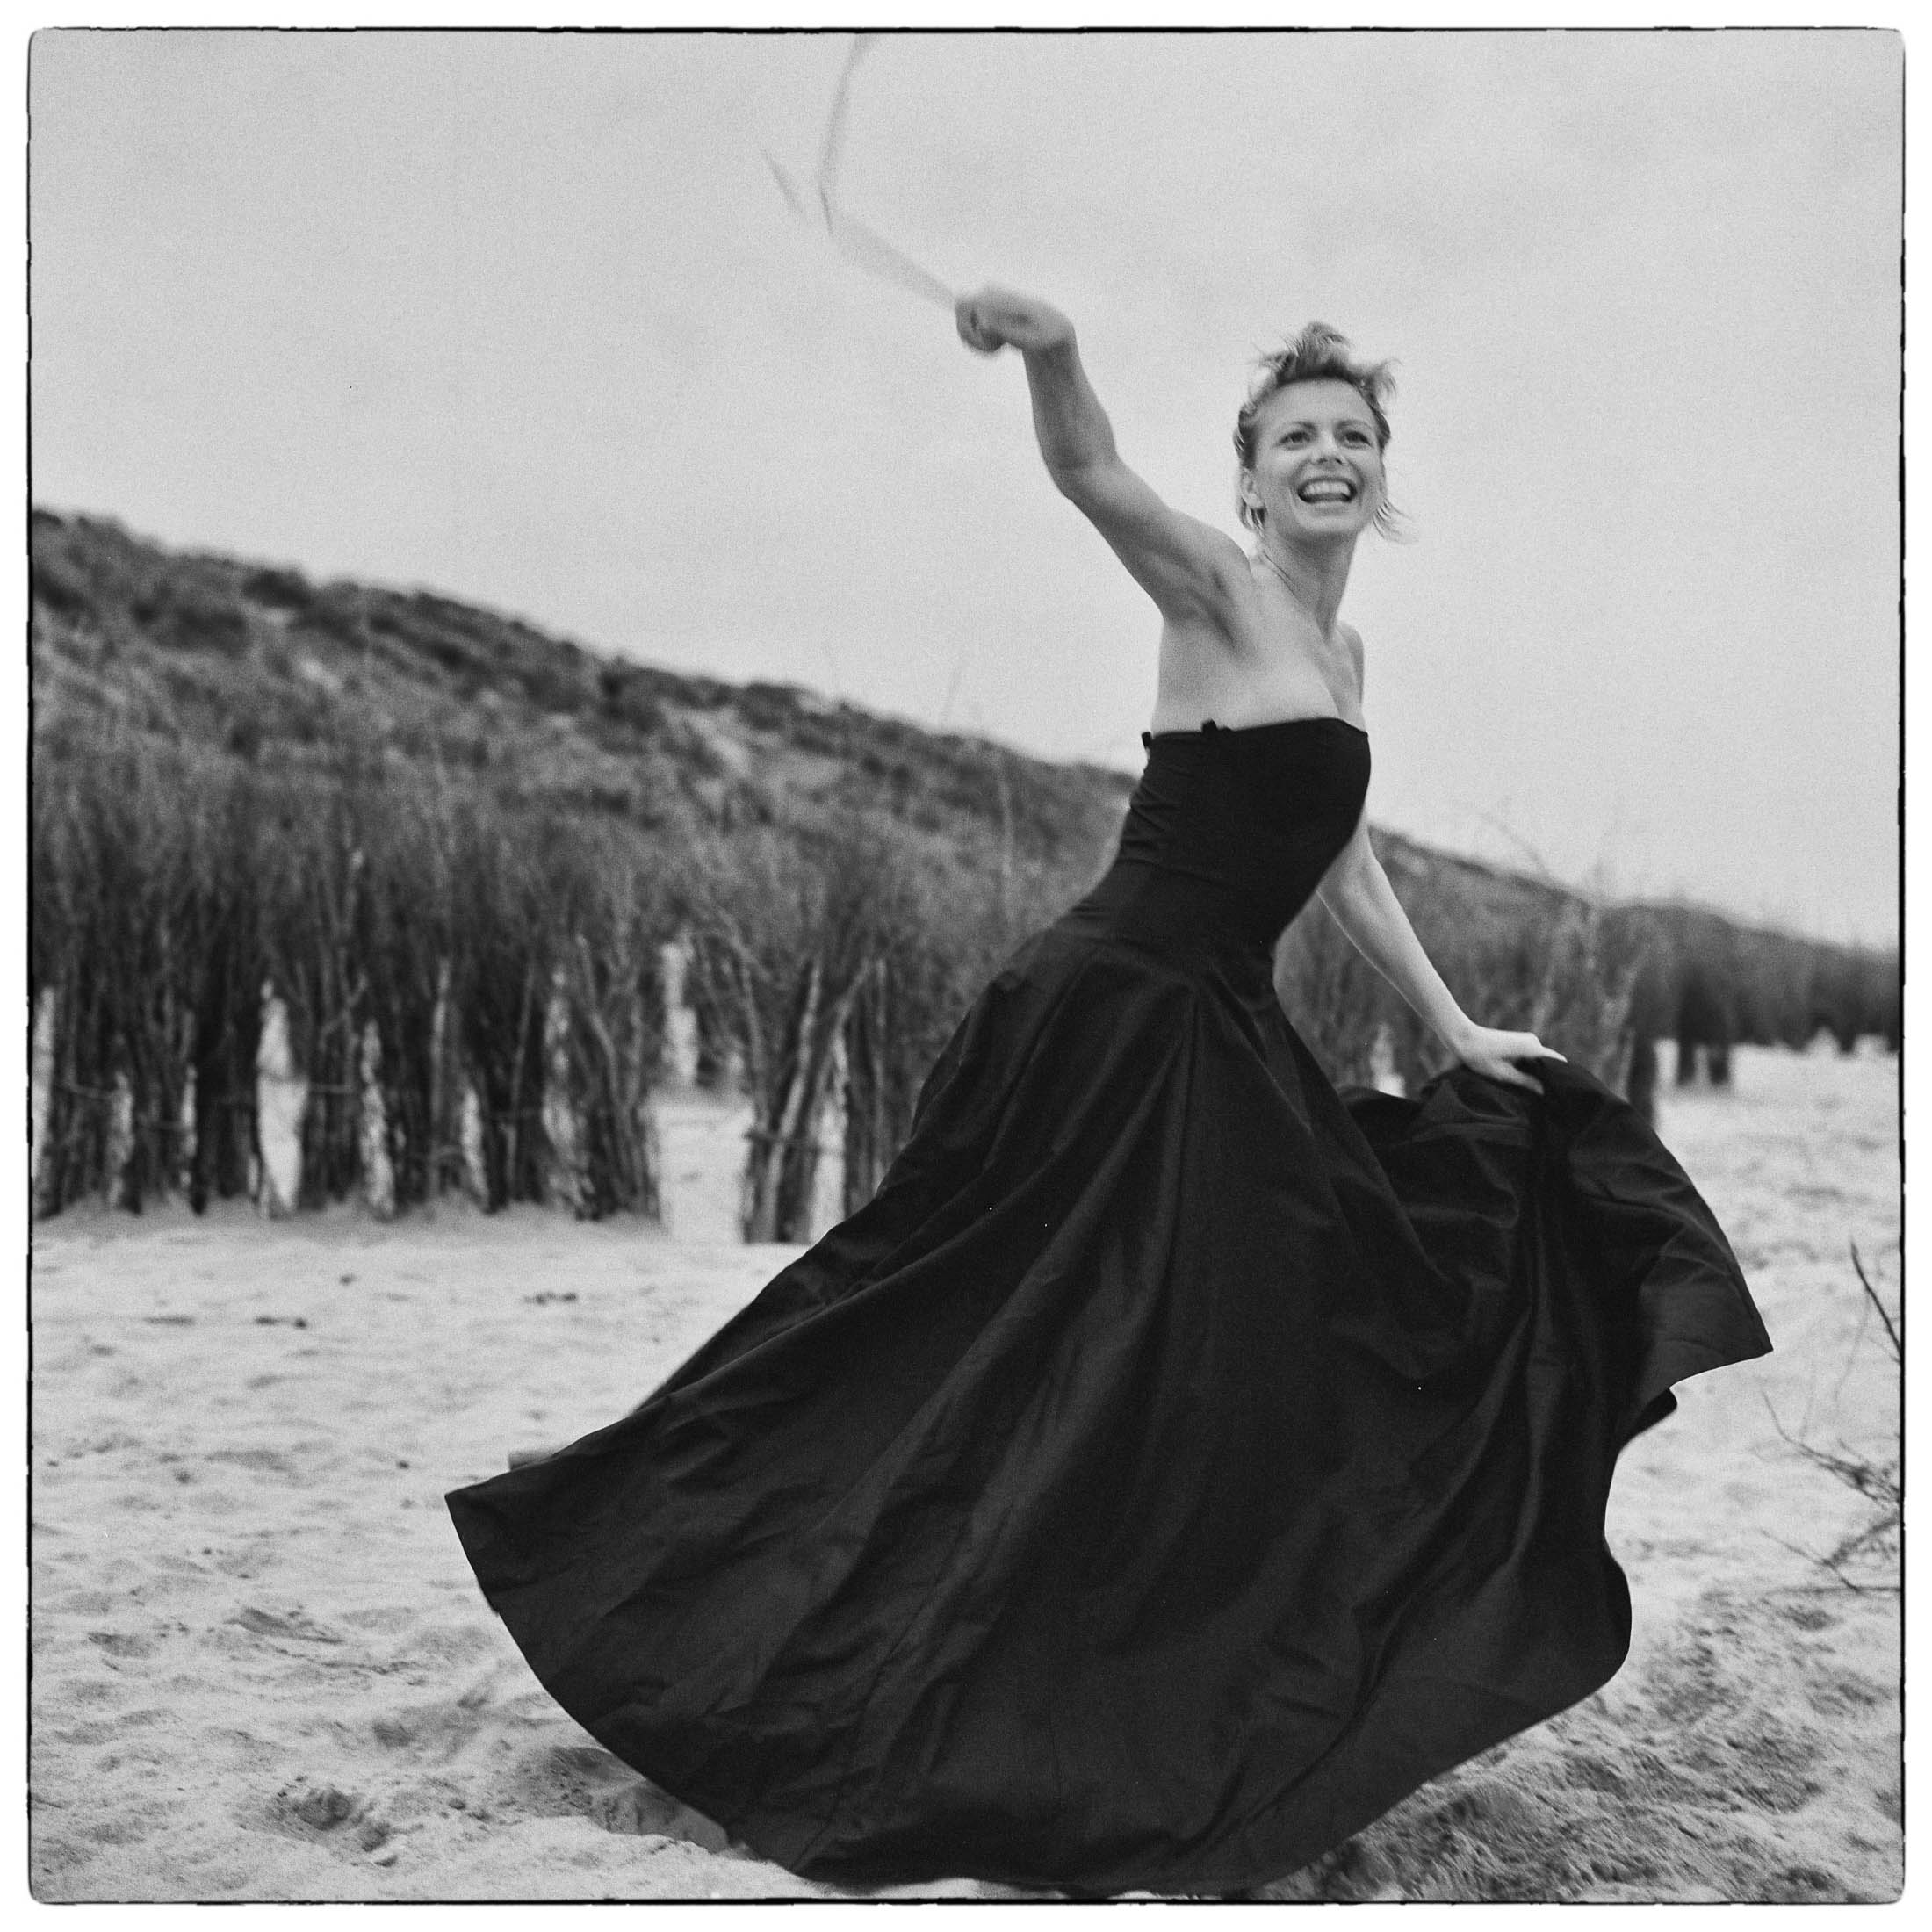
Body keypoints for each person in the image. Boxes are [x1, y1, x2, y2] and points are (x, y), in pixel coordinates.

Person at [447, 292, 1770, 1900]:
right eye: (1299, 439)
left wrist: (1452, 1022)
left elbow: (1335, 852)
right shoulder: (1214, 588)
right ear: (1253, 483)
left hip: (1208, 1024)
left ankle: (1129, 1674)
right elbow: (1091, 477)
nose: (1329, 456)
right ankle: (636, 1541)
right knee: (946, 1320)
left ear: (1383, 476)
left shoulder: (1340, 649)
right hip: (1106, 1015)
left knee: (1192, 1344)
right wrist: (1054, 347)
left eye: (1354, 437)